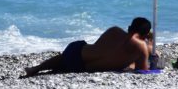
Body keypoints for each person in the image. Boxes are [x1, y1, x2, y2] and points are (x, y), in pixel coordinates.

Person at [22, 17, 154, 77]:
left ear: (129, 27)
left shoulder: (114, 31)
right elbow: (142, 70)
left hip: (76, 53)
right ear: (146, 35)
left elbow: (104, 49)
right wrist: (150, 46)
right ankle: (40, 69)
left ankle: (36, 68)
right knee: (63, 66)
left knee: (64, 60)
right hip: (83, 69)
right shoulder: (142, 47)